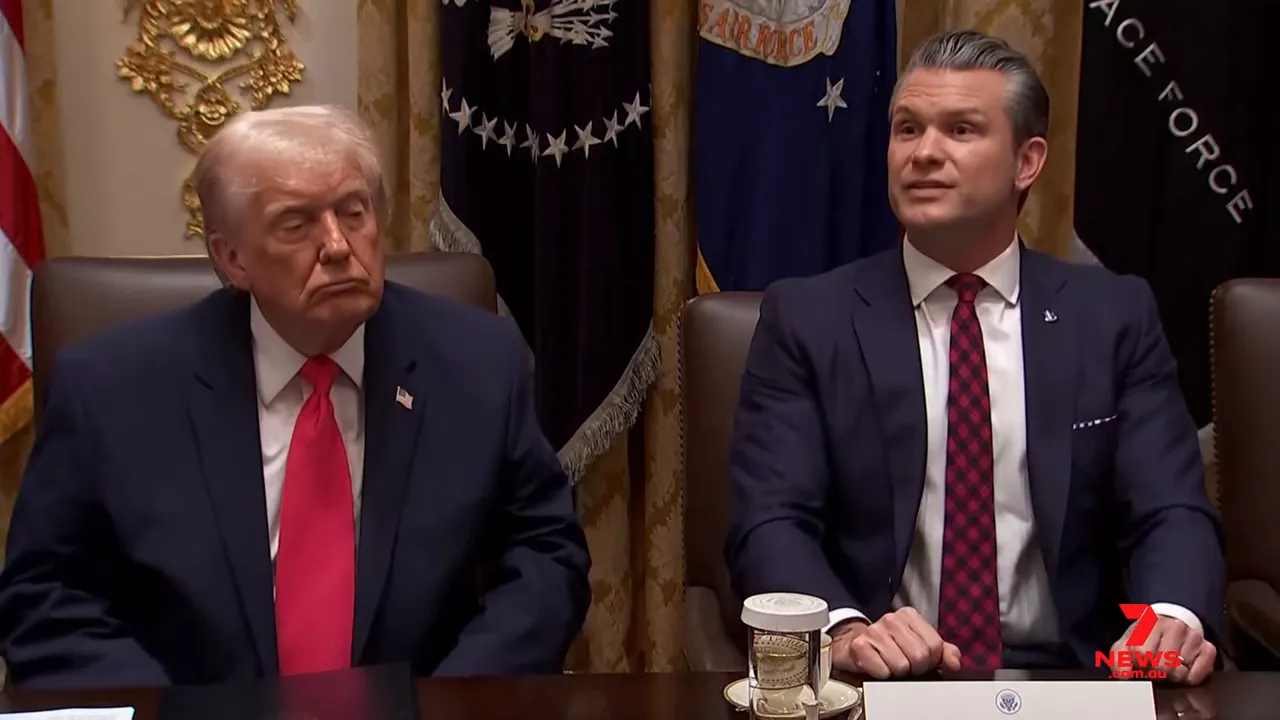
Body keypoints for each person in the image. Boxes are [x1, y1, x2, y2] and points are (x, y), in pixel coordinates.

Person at [0, 105, 591, 689]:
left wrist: (454, 700)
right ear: (232, 259)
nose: (337, 245)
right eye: (295, 224)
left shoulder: (475, 360)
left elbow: (545, 552)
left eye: (353, 212)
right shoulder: (113, 389)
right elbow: (46, 597)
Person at [725, 30, 1223, 685]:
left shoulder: (1112, 316)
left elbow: (1171, 509)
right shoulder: (809, 320)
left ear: (1027, 161)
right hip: (886, 678)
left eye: (961, 130)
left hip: (1077, 679)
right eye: (907, 129)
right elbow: (770, 521)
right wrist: (846, 631)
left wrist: (1169, 618)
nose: (924, 152)